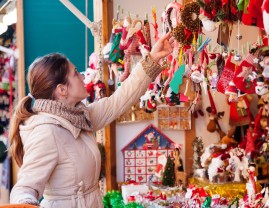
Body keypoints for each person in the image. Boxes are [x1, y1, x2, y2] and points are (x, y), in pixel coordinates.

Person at [9, 32, 174, 207]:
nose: (82, 76)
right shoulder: (47, 131)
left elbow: (120, 100)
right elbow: (25, 188)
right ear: (62, 90)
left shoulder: (79, 117)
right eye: (75, 74)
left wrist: (152, 59)